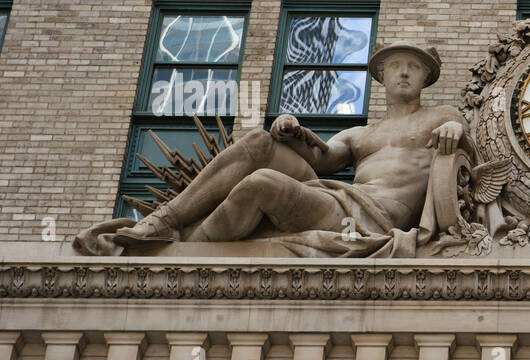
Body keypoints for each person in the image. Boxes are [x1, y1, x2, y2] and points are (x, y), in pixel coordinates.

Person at [107, 43, 465, 248]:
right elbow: (323, 160)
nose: (404, 73)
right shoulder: (360, 134)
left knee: (260, 184)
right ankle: (163, 221)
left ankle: (187, 249)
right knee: (260, 141)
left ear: (425, 77)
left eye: (414, 67)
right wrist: (290, 130)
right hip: (337, 196)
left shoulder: (443, 116)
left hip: (370, 219)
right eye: (397, 66)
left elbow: (471, 158)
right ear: (382, 77)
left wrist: (455, 130)